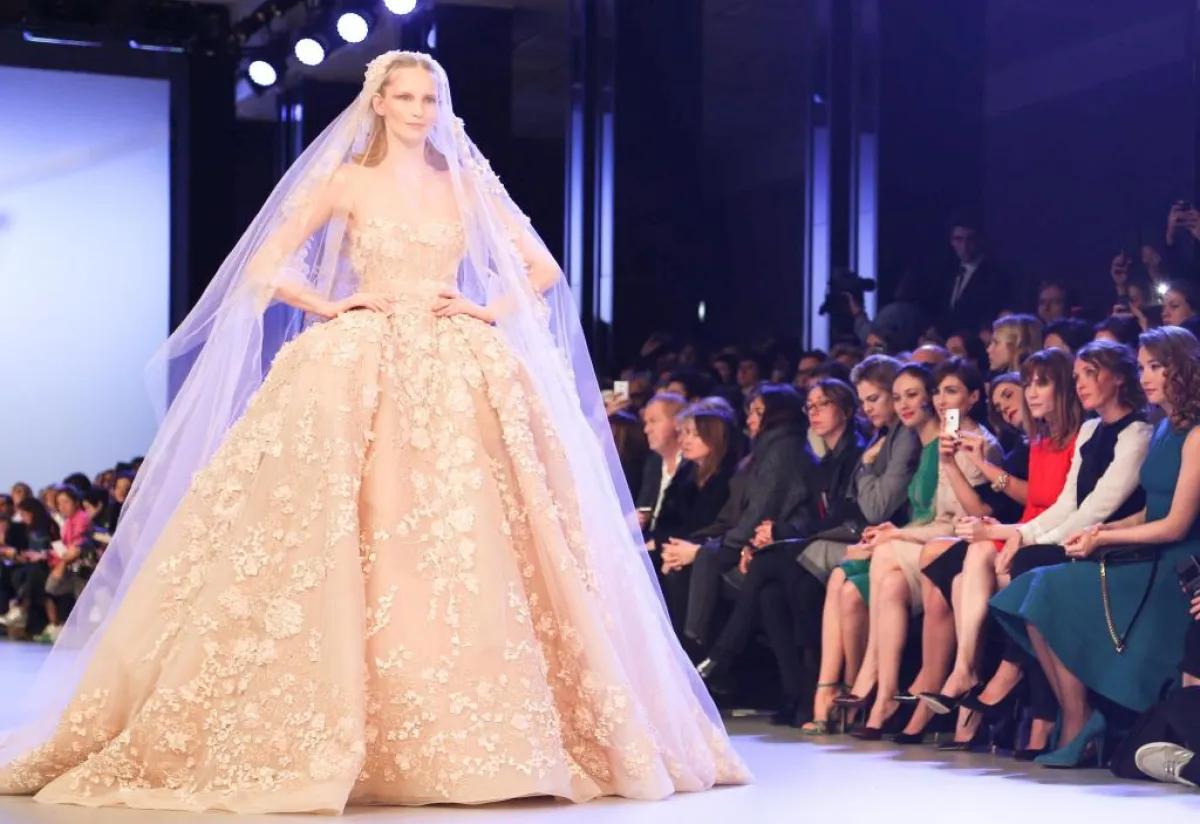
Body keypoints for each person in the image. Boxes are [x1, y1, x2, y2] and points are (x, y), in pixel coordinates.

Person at [0, 51, 749, 812]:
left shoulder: (466, 182)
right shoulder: (345, 181)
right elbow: (265, 266)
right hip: (361, 356)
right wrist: (329, 307)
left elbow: (543, 269)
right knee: (350, 522)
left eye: (431, 99)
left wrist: (485, 309)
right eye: (407, 97)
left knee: (471, 531)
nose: (421, 110)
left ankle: (484, 732)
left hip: (456, 361)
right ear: (379, 103)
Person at [991, 327, 1200, 768]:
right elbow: (1150, 511)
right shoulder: (1165, 428)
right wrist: (1103, 530)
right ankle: (1077, 715)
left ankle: (1079, 721)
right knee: (1033, 589)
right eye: (1142, 367)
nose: (1145, 376)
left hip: (1174, 567)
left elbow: (1175, 524)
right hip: (1145, 553)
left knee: (1048, 588)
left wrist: (1104, 536)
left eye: (1156, 367)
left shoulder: (1194, 434)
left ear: (1181, 368)